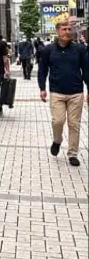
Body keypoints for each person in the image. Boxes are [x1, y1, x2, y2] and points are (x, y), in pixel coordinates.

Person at [38, 21, 89, 167]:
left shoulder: (79, 49)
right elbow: (42, 70)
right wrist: (42, 88)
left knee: (74, 124)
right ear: (57, 31)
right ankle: (57, 140)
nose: (67, 31)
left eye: (69, 29)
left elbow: (86, 70)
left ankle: (72, 153)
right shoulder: (49, 50)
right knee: (58, 121)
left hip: (76, 93)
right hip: (57, 93)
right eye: (64, 29)